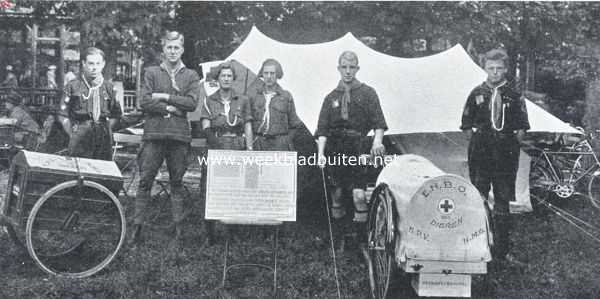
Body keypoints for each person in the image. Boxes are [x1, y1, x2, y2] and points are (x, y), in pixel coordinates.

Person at [460, 48, 530, 267]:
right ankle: (476, 246)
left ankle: (502, 251)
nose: (495, 72)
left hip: (505, 153)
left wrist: (506, 143)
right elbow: (467, 126)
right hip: (481, 151)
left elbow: (521, 128)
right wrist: (482, 141)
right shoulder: (476, 93)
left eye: (500, 68)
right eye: (491, 68)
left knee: (502, 200)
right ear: (485, 68)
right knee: (478, 196)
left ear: (506, 69)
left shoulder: (514, 95)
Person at [130, 31, 201, 244]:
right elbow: (143, 101)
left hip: (179, 137)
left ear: (182, 50)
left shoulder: (191, 75)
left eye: (176, 47)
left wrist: (163, 97)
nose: (172, 51)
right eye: (169, 47)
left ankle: (178, 232)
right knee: (145, 182)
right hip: (154, 135)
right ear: (163, 49)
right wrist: (171, 108)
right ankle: (137, 229)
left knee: (177, 183)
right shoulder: (152, 72)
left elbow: (191, 104)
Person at [315, 51, 387, 249]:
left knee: (359, 195)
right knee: (337, 194)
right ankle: (338, 239)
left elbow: (378, 123)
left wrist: (377, 142)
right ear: (338, 69)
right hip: (336, 149)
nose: (348, 71)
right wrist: (321, 155)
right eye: (344, 67)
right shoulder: (331, 97)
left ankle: (361, 241)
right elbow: (322, 130)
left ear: (357, 69)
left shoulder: (368, 93)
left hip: (359, 147)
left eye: (352, 67)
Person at [199, 61, 253, 245]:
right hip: (216, 145)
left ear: (233, 79)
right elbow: (205, 127)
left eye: (230, 76)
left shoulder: (243, 100)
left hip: (237, 145)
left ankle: (233, 231)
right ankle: (209, 233)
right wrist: (217, 148)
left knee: (235, 188)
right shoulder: (209, 100)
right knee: (211, 188)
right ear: (218, 79)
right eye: (223, 76)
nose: (226, 79)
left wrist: (249, 148)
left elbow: (247, 126)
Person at [59, 47, 122, 160]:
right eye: (91, 63)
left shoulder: (109, 88)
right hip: (80, 132)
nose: (94, 67)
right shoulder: (73, 86)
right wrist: (72, 133)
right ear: (84, 64)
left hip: (103, 134)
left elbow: (116, 114)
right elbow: (62, 114)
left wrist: (106, 128)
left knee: (103, 170)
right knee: (79, 170)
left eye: (98, 63)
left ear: (103, 64)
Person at [249, 58, 303, 151]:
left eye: (272, 73)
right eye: (266, 73)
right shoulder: (254, 96)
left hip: (279, 144)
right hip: (259, 144)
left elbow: (295, 124)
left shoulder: (286, 96)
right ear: (262, 74)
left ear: (277, 75)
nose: (269, 76)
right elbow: (248, 122)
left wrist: (286, 140)